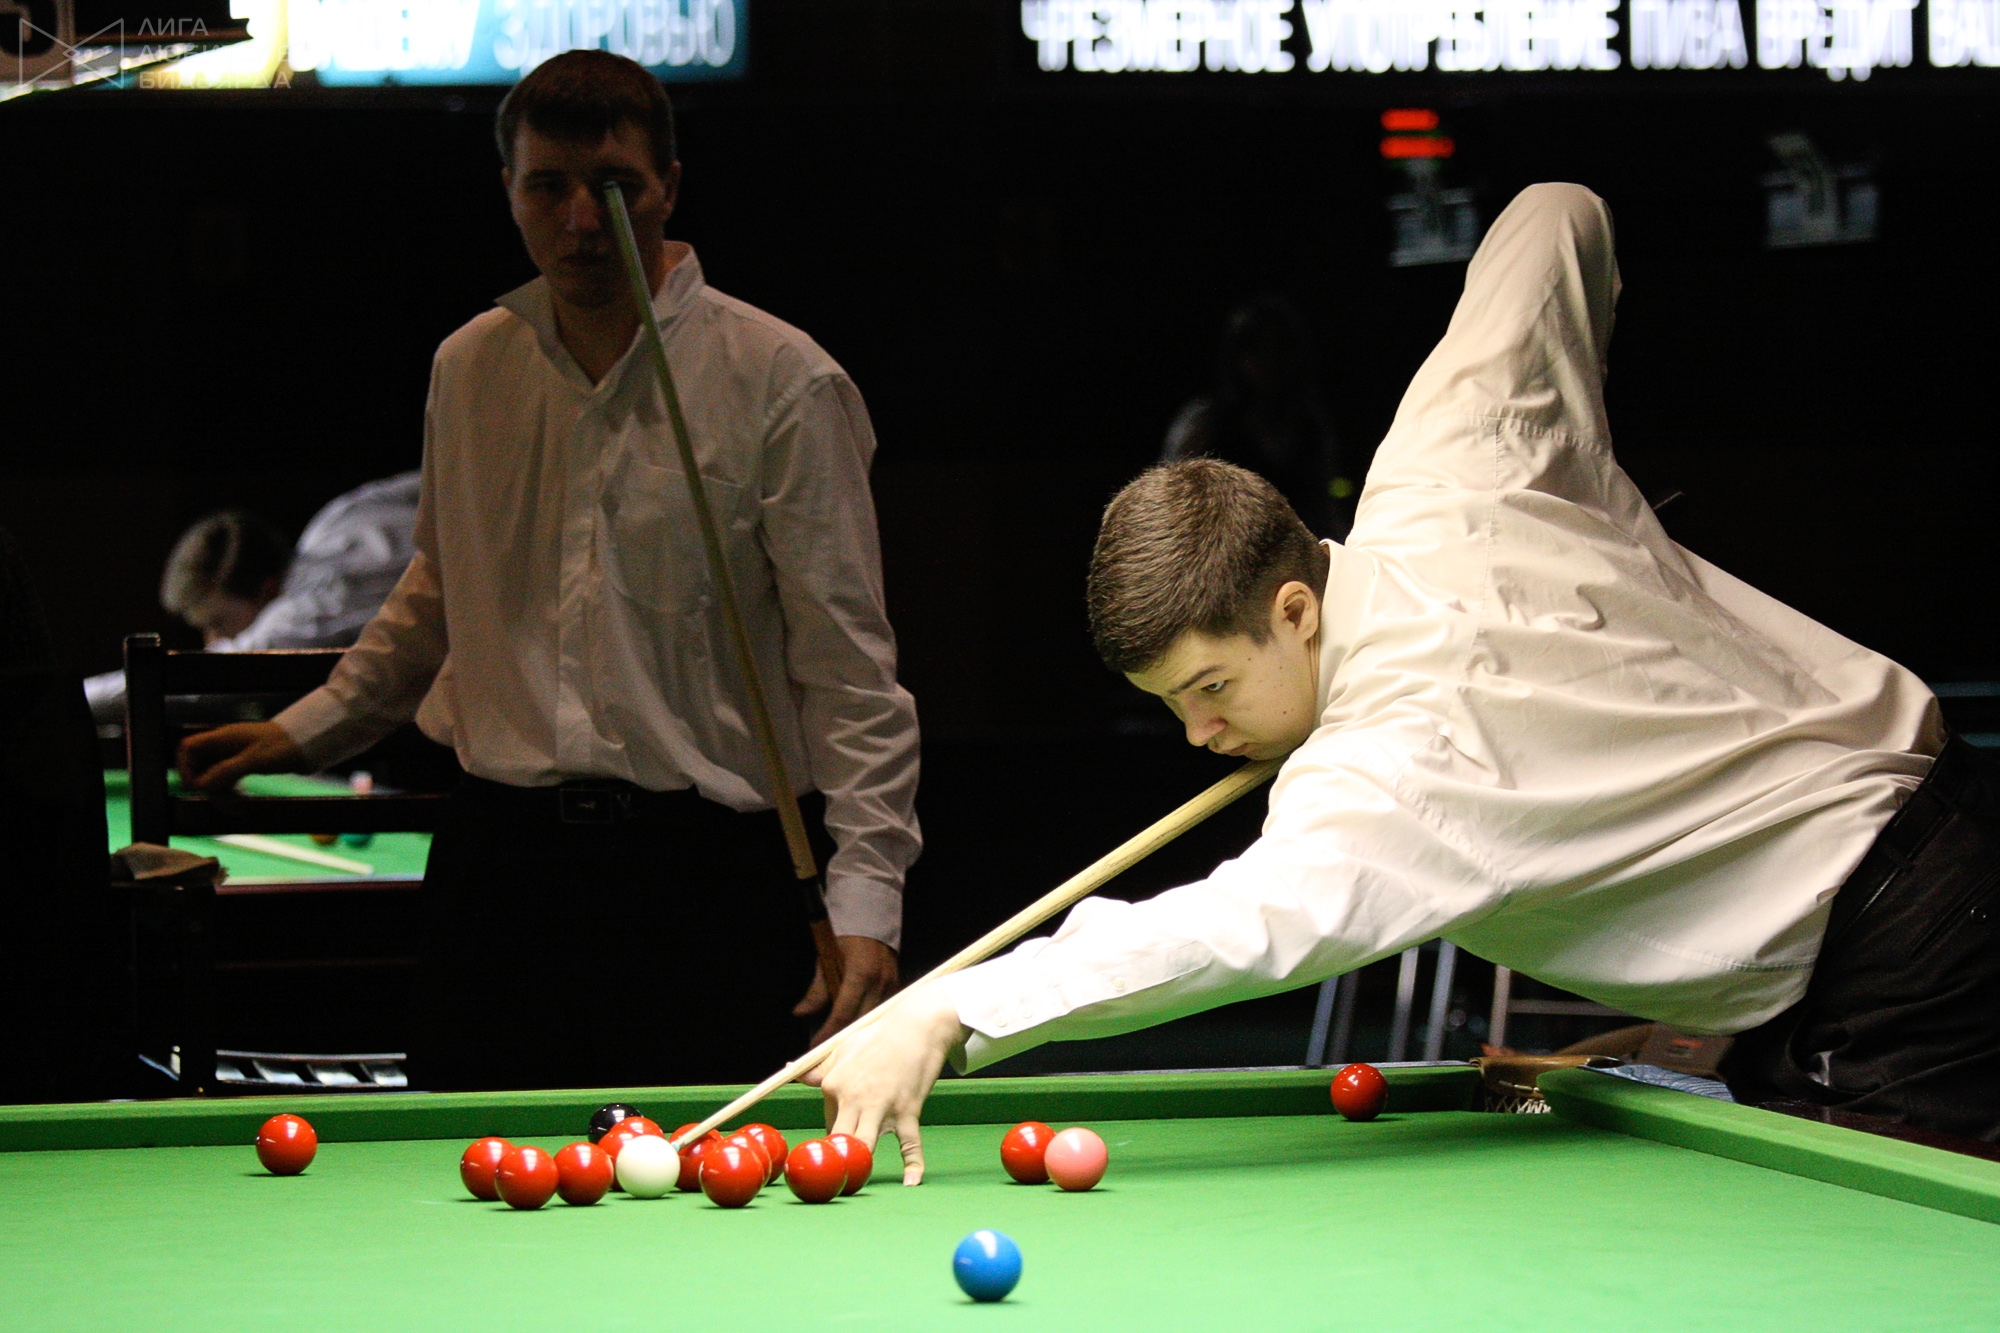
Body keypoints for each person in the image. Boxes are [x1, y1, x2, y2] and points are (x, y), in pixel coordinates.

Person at [811, 184, 1998, 1181]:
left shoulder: (1397, 762)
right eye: (1171, 704)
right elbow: (1554, 215)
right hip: (1899, 853)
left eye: (1210, 686)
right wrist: (1585, 477)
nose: (1199, 732)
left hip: (1897, 944)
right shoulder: (1441, 462)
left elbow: (1233, 928)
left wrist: (952, 1009)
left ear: (1293, 610)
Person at [175, 51, 921, 1089]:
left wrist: (866, 901)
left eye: (615, 186)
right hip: (502, 870)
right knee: (467, 1168)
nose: (581, 221)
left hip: (702, 877)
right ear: (509, 192)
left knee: (704, 1177)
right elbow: (442, 586)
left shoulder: (783, 382)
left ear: (669, 186)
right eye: (549, 186)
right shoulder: (468, 366)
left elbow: (849, 672)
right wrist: (309, 726)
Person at [83, 472, 423, 722]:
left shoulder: (297, 619)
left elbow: (193, 680)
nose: (213, 641)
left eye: (218, 623)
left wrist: (75, 699)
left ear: (267, 590)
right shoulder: (341, 515)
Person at [1162, 294, 1353, 539]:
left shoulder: (1310, 427)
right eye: (1257, 349)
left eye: (1279, 349)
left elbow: (1324, 506)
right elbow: (1172, 495)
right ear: (1237, 356)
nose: (1269, 362)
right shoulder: (1205, 421)